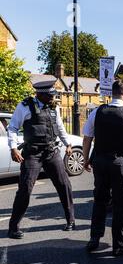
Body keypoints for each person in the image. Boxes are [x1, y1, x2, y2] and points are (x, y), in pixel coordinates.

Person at [82, 80, 123, 257]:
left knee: (100, 200)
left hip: (100, 161)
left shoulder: (97, 112)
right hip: (120, 163)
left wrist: (86, 159)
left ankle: (94, 239)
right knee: (121, 203)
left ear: (112, 94)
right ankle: (119, 245)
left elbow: (87, 137)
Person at [7, 80, 75, 239]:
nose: (53, 98)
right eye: (50, 95)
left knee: (64, 185)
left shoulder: (54, 108)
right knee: (25, 189)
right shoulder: (24, 106)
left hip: (51, 152)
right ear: (40, 94)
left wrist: (68, 144)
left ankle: (71, 220)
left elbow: (59, 128)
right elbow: (12, 127)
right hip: (33, 154)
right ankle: (13, 227)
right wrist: (13, 148)